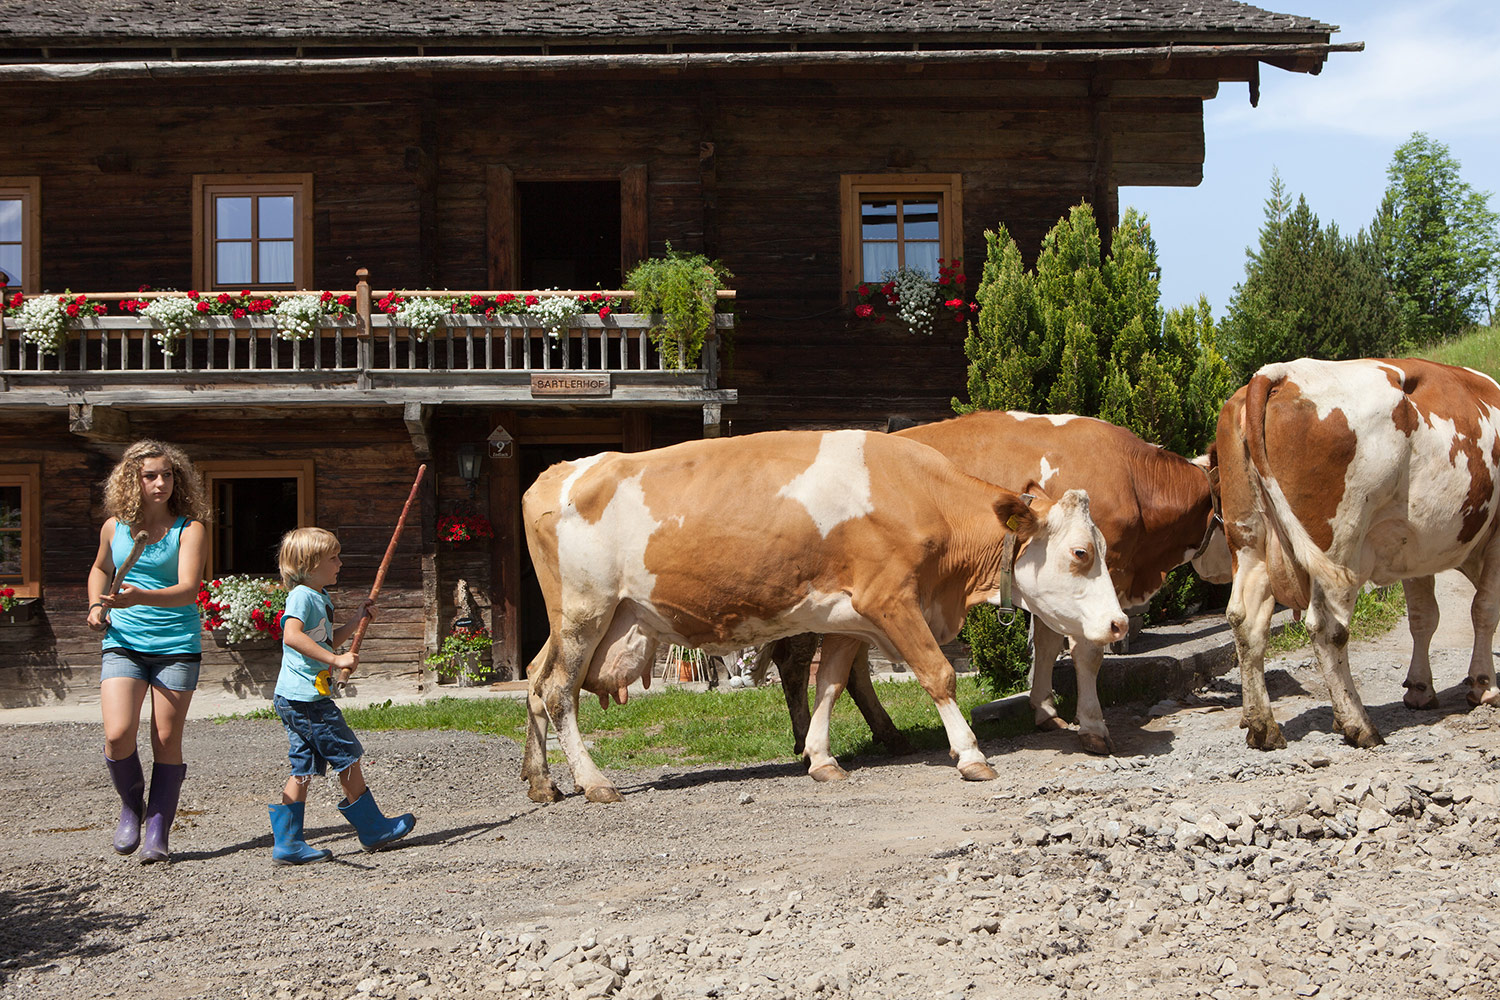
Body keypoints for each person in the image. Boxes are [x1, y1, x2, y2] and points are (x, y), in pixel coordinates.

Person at [87, 440, 211, 863]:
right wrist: (94, 603)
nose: (160, 483)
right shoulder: (114, 527)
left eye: (168, 475)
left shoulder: (189, 529)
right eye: (150, 476)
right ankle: (130, 806)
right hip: (122, 642)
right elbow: (102, 568)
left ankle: (158, 830)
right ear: (132, 480)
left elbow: (189, 590)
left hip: (176, 646)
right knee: (118, 734)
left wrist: (140, 596)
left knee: (164, 740)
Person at [268, 526, 415, 865]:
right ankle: (373, 829)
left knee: (302, 765)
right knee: (346, 754)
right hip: (306, 700)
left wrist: (355, 620)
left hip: (296, 697)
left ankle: (288, 843)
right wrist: (336, 661)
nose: (340, 563)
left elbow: (322, 641)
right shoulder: (303, 596)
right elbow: (291, 636)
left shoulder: (318, 596)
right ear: (309, 564)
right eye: (332, 558)